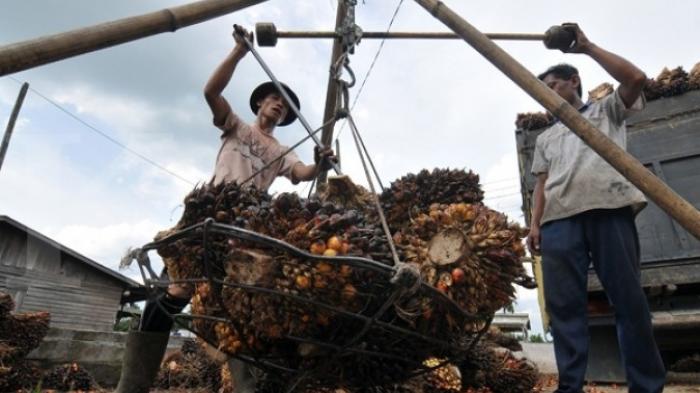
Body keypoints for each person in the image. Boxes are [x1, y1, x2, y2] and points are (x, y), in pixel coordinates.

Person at [115, 25, 336, 393]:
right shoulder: (237, 128)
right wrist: (239, 52)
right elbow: (210, 91)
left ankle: (246, 387)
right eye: (273, 99)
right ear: (260, 105)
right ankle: (133, 383)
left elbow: (302, 173)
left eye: (284, 105)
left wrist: (321, 164)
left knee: (240, 305)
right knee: (176, 293)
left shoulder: (283, 151)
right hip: (209, 217)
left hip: (247, 227)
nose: (279, 106)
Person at [527, 23, 665, 393]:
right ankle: (569, 387)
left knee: (629, 303)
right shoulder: (545, 137)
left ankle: (646, 386)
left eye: (552, 86)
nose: (547, 95)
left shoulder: (606, 111)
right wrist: (535, 224)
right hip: (558, 223)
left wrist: (586, 47)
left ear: (574, 82)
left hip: (609, 210)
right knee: (565, 312)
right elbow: (541, 184)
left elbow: (636, 77)